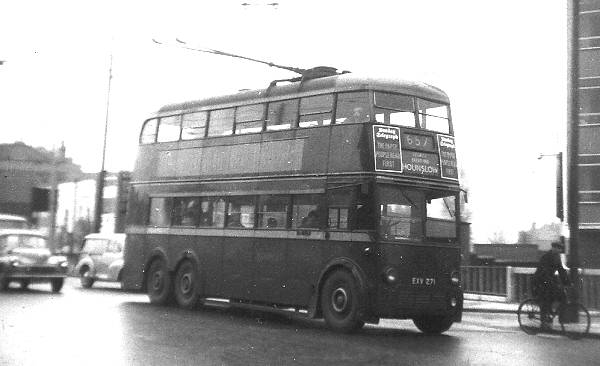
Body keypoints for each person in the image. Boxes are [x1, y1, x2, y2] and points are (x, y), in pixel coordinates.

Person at [533, 240, 570, 329]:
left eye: (559, 249)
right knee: (546, 299)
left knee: (562, 296)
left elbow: (561, 270)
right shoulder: (546, 257)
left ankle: (556, 318)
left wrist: (567, 282)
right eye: (557, 248)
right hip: (540, 281)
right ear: (553, 248)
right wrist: (553, 283)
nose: (558, 250)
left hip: (549, 281)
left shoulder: (557, 258)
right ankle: (543, 322)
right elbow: (544, 272)